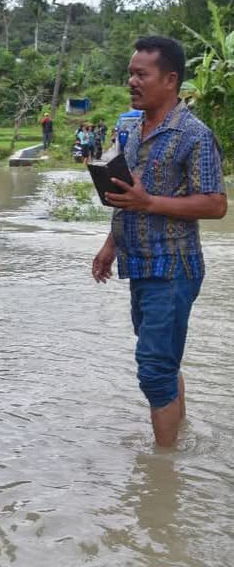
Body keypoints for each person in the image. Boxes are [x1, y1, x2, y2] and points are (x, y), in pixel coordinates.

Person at [92, 36, 227, 448]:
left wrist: (148, 202)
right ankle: (180, 439)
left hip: (173, 267)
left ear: (170, 80)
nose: (132, 81)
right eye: (131, 73)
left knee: (153, 369)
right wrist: (110, 245)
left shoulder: (194, 135)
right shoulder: (132, 128)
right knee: (162, 363)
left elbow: (216, 204)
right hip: (138, 264)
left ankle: (164, 472)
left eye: (141, 74)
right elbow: (127, 193)